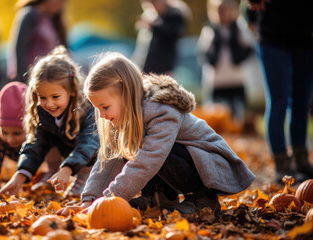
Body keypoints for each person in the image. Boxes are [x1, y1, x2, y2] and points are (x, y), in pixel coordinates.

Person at [57, 52, 255, 217]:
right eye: (97, 108)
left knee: (152, 151)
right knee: (132, 145)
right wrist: (90, 200)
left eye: (105, 106)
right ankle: (158, 196)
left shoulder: (161, 110)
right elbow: (106, 160)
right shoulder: (122, 117)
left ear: (126, 93)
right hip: (175, 159)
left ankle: (203, 199)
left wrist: (110, 197)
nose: (101, 114)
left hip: (209, 164)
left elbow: (149, 159)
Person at [0, 46, 99, 198]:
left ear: (71, 91)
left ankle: (86, 178)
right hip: (72, 156)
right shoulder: (43, 113)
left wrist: (68, 168)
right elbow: (36, 144)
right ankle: (55, 173)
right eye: (43, 97)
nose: (49, 104)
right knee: (45, 137)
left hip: (99, 160)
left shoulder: (88, 111)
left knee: (89, 144)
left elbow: (89, 144)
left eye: (55, 97)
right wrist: (20, 175)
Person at [245, 0, 313, 183]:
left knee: (301, 103)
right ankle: (282, 166)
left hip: (308, 37)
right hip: (273, 37)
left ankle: (301, 161)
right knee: (279, 102)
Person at [197, 0, 255, 124]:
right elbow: (203, 53)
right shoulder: (210, 29)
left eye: (225, 10)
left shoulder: (239, 27)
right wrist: (212, 60)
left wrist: (238, 58)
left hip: (236, 80)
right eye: (219, 10)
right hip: (216, 81)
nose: (222, 13)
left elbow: (250, 47)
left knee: (238, 117)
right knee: (216, 116)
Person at [7, 0, 67, 83]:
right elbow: (19, 49)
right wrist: (21, 79)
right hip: (31, 77)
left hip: (49, 77)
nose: (62, 4)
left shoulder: (51, 19)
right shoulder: (30, 15)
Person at [134, 0, 190, 75]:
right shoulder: (151, 15)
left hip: (163, 69)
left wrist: (154, 25)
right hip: (145, 67)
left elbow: (172, 34)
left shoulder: (174, 15)